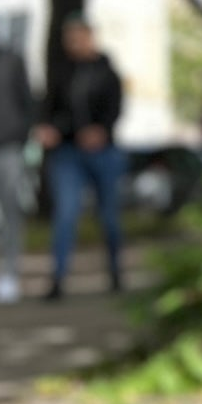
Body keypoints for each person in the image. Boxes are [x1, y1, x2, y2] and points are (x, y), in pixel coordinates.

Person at [37, 16, 125, 299]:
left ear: (89, 37)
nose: (72, 44)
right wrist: (48, 129)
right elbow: (48, 107)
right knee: (65, 214)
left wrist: (102, 130)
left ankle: (115, 271)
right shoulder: (62, 72)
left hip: (103, 152)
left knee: (108, 216)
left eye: (77, 38)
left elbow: (115, 109)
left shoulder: (107, 72)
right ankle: (58, 278)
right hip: (68, 151)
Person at [0, 23, 34, 305]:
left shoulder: (11, 61)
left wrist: (20, 137)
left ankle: (9, 275)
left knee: (10, 215)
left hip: (6, 148)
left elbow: (28, 102)